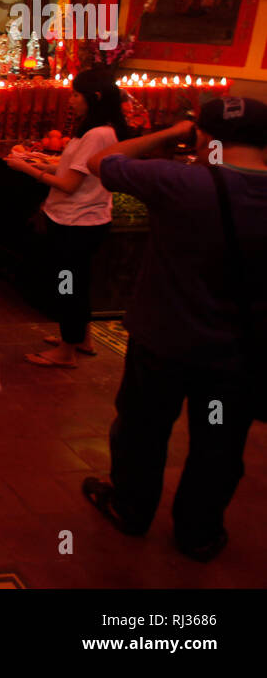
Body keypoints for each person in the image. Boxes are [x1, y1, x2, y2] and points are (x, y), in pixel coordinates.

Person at [81, 96, 267, 562]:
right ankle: (198, 532)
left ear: (202, 136)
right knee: (219, 442)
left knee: (143, 429)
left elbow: (100, 160)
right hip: (237, 354)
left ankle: (130, 507)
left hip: (162, 339)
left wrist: (169, 134)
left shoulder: (178, 182)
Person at [5, 68, 130, 367]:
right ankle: (79, 338)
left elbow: (69, 185)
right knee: (78, 280)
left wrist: (28, 170)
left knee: (67, 283)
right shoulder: (99, 129)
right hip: (81, 219)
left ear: (95, 97)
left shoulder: (99, 134)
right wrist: (40, 163)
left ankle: (66, 350)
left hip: (77, 222)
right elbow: (71, 168)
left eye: (76, 94)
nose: (71, 100)